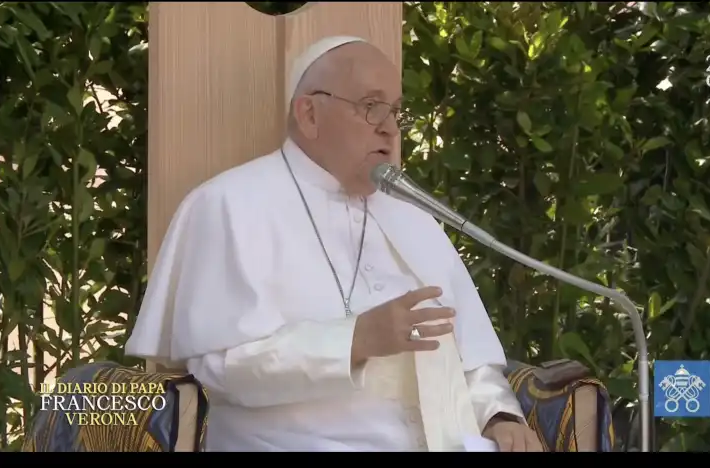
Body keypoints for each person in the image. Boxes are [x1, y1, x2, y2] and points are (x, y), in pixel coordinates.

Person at [126, 36, 542, 452]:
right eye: (371, 106)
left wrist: (498, 415)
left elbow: (469, 354)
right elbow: (219, 368)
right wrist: (354, 340)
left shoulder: (412, 216)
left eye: (396, 111)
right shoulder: (227, 204)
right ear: (309, 114)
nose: (390, 127)